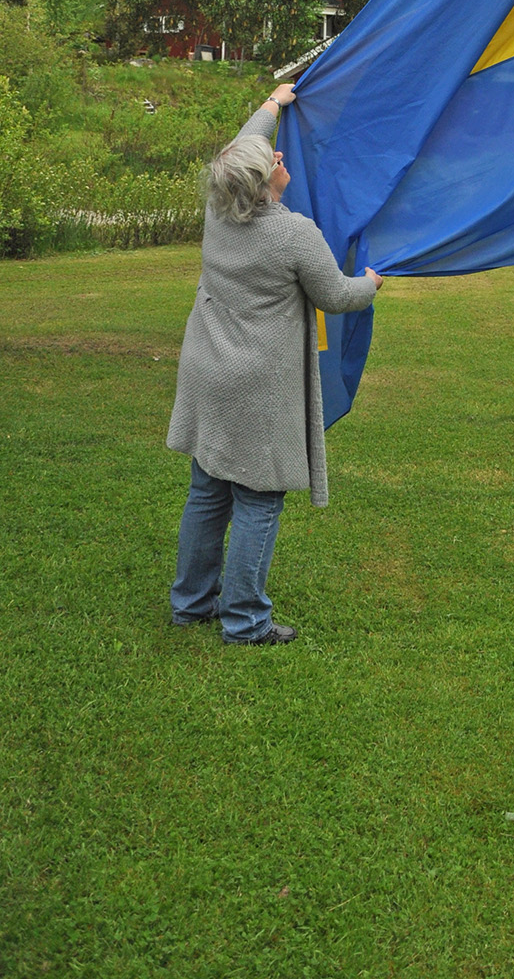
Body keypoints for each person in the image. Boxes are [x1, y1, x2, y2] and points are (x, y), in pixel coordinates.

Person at [167, 83, 382, 645]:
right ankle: (244, 622)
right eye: (275, 160)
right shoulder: (292, 233)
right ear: (263, 184)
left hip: (207, 368)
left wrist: (272, 104)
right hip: (257, 382)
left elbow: (242, 147)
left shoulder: (219, 207)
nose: (282, 157)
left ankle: (191, 603)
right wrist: (373, 281)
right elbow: (337, 296)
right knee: (259, 497)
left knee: (208, 487)